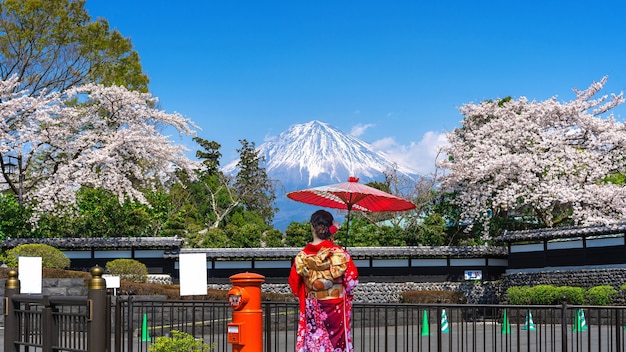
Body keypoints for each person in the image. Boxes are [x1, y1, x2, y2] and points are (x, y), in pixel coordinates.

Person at [288, 210, 359, 352]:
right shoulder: (339, 253)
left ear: (312, 227)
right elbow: (352, 281)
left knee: (314, 341)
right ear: (329, 228)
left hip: (312, 305)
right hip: (336, 307)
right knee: (336, 345)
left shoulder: (302, 256)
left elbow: (294, 285)